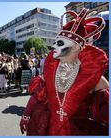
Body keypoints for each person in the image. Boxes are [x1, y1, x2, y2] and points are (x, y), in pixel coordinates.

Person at [20, 8, 109, 136]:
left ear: (76, 47)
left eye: (60, 43)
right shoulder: (51, 71)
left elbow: (105, 115)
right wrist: (26, 115)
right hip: (48, 128)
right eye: (55, 42)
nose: (53, 46)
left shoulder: (95, 79)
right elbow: (36, 97)